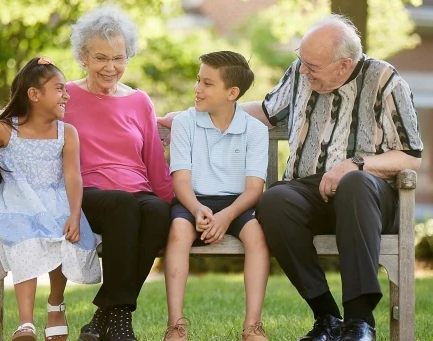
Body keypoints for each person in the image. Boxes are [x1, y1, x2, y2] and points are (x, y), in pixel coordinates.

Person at [158, 14, 423, 341]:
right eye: (301, 60)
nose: (302, 70)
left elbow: (411, 155)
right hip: (308, 192)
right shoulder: (300, 74)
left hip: (366, 194)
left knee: (354, 183)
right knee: (274, 200)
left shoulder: (385, 80)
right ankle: (327, 317)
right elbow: (264, 112)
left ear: (344, 65)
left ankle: (359, 322)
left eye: (312, 66)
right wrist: (189, 115)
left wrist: (354, 165)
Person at [0, 5, 173, 341]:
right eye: (101, 57)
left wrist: (180, 208)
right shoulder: (63, 96)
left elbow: (155, 165)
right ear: (83, 56)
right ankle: (117, 321)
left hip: (136, 195)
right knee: (125, 206)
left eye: (118, 58)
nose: (111, 67)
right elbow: (14, 129)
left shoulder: (140, 101)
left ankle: (108, 317)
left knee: (155, 211)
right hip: (84, 195)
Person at [0, 57, 101, 341]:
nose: (67, 95)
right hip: (19, 203)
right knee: (25, 242)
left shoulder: (67, 133)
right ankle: (25, 322)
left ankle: (55, 304)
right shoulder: (5, 129)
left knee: (63, 237)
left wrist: (75, 214)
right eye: (60, 89)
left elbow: (73, 177)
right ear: (34, 94)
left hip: (56, 201)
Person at [162, 51, 269, 341]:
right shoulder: (185, 122)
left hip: (237, 204)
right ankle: (176, 325)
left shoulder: (255, 131)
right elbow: (180, 181)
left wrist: (227, 215)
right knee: (178, 233)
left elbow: (253, 190)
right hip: (192, 199)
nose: (197, 89)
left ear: (232, 93)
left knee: (257, 238)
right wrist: (197, 209)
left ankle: (252, 327)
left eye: (207, 83)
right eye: (198, 80)